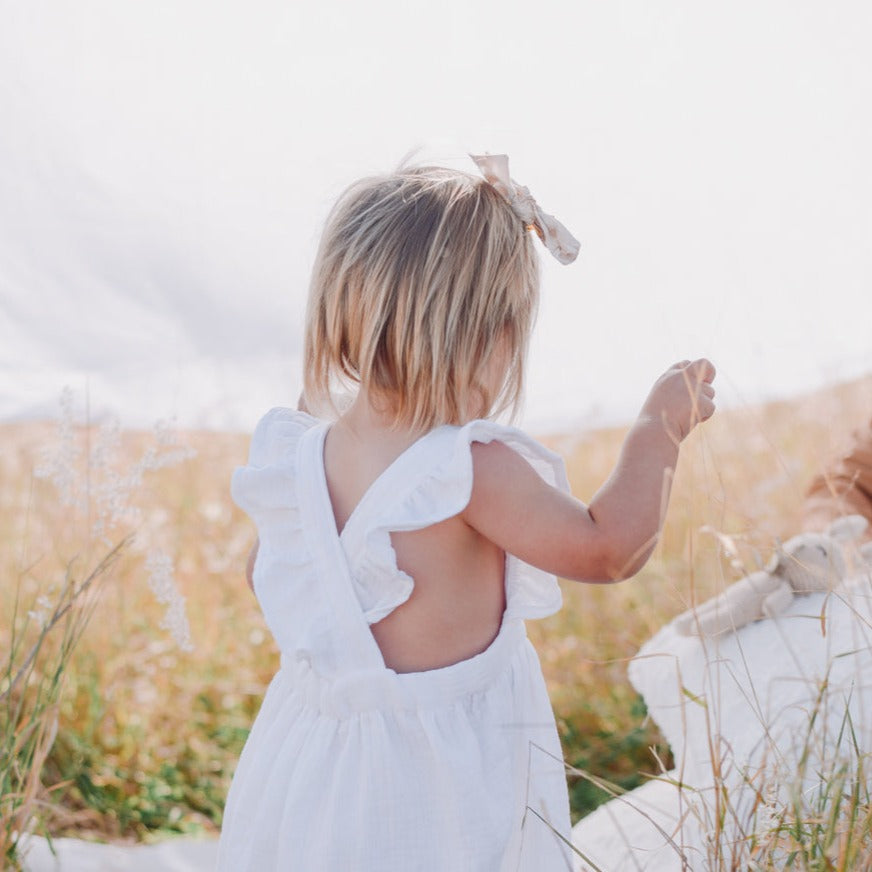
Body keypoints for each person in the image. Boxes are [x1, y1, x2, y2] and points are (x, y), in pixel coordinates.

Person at [216, 154, 716, 871]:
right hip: (436, 785)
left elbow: (267, 575)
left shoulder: (297, 452)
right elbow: (608, 549)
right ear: (492, 331)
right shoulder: (466, 469)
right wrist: (659, 429)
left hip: (309, 769)